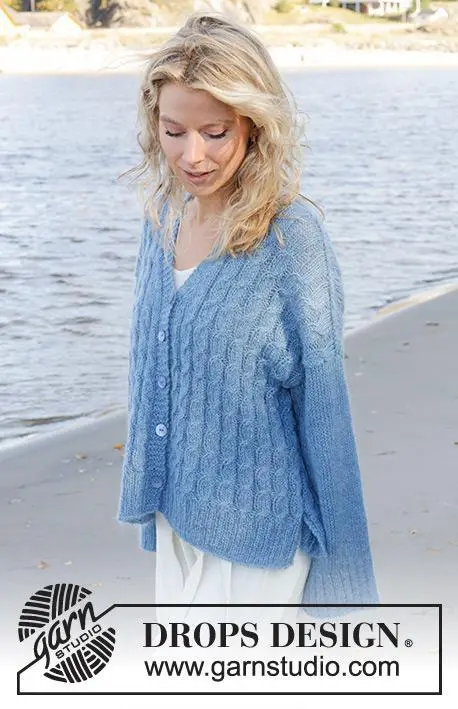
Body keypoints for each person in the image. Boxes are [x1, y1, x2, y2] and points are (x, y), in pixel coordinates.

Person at [117, 10, 379, 624]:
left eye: (215, 132)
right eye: (174, 131)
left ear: (254, 125)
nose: (193, 155)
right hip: (176, 524)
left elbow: (324, 410)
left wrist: (347, 587)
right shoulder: (162, 220)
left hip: (257, 542)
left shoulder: (291, 240)